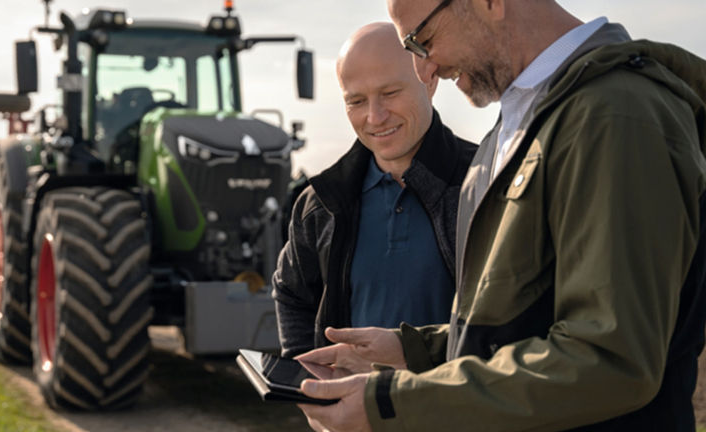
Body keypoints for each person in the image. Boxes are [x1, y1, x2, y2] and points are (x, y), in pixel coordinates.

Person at [295, 1, 706, 431]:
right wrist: (413, 350)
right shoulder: (520, 125)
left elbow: (609, 360)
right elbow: (528, 322)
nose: (424, 71)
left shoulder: (616, 114)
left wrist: (393, 403)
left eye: (425, 41)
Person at [272, 22, 476, 358]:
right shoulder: (319, 203)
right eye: (356, 101)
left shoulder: (486, 182)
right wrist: (308, 384)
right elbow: (291, 293)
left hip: (456, 407)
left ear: (430, 79)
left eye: (390, 93)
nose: (375, 116)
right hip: (355, 411)